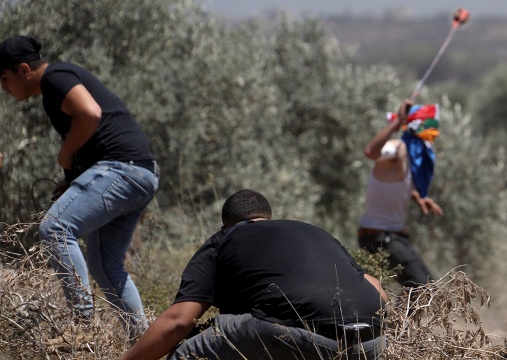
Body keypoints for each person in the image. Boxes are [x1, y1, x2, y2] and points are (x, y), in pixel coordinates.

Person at [0, 35, 159, 340]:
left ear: (23, 70)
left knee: (55, 228)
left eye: (4, 79)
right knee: (105, 267)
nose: (4, 89)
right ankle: (146, 343)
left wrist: (64, 154)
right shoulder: (54, 88)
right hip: (139, 173)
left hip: (121, 169)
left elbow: (90, 113)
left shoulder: (55, 77)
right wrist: (71, 178)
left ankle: (80, 326)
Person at [120, 189, 387, 360]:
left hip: (297, 340)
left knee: (186, 353)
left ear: (226, 224)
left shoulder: (224, 240)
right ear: (268, 218)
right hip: (371, 343)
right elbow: (377, 288)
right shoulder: (314, 232)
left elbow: (178, 322)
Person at [358, 99, 444, 288]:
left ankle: (398, 319)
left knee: (424, 287)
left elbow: (397, 185)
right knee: (423, 287)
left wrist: (418, 197)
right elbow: (371, 151)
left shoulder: (409, 160)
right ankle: (398, 319)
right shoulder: (396, 148)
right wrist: (397, 123)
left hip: (393, 237)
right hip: (379, 237)